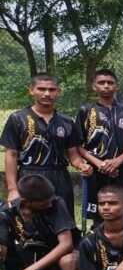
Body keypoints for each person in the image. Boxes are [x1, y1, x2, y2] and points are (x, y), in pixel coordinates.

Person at [2, 73, 91, 213]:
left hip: (59, 177)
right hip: (29, 177)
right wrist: (13, 189)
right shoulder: (18, 119)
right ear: (31, 90)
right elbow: (11, 155)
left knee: (62, 219)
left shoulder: (66, 122)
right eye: (41, 89)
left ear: (58, 92)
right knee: (30, 220)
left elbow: (73, 155)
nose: (47, 94)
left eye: (52, 90)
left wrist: (82, 165)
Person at [0, 175, 79, 270]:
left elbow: (66, 245)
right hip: (45, 261)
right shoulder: (7, 212)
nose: (49, 204)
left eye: (50, 200)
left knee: (67, 262)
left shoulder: (57, 203)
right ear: (25, 201)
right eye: (43, 204)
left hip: (69, 254)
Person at [77, 69, 123, 223]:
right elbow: (78, 145)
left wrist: (117, 161)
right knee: (99, 214)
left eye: (110, 83)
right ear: (94, 86)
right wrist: (99, 163)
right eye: (101, 82)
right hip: (96, 170)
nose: (106, 86)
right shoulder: (86, 111)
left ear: (117, 86)